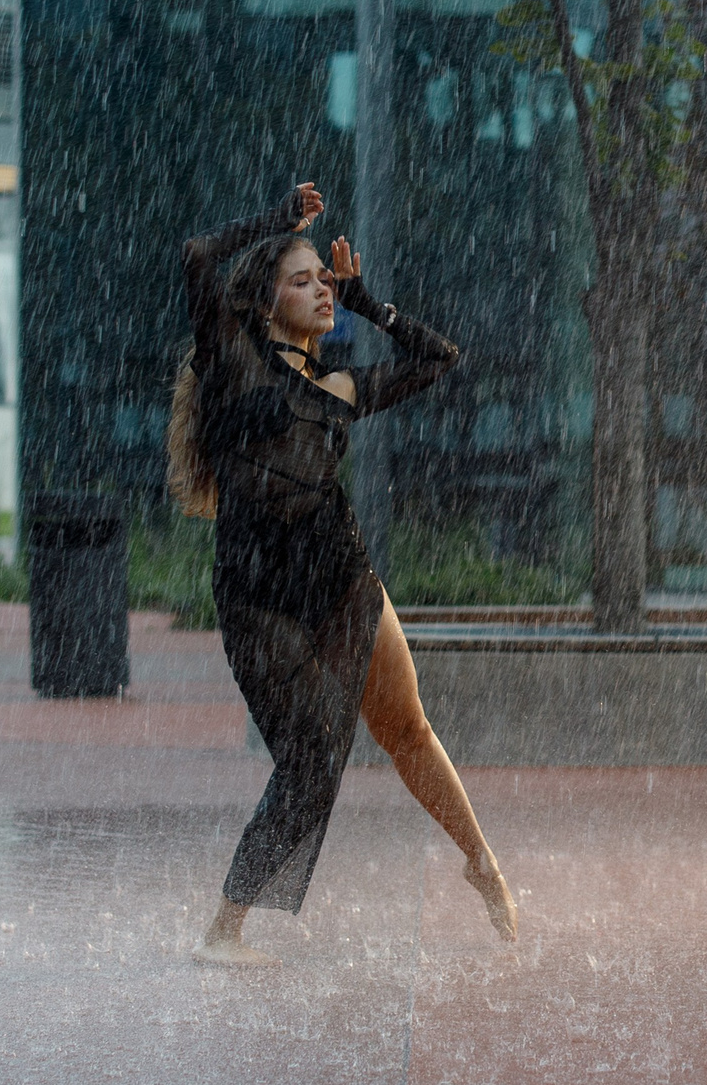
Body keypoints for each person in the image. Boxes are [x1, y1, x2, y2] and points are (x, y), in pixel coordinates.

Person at [170, 182, 516, 965]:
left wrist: (368, 301)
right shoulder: (233, 360)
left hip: (341, 578)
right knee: (311, 755)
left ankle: (481, 862)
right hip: (260, 595)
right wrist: (277, 221)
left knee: (406, 728)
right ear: (264, 304)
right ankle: (225, 929)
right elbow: (196, 255)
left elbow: (439, 357)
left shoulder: (344, 387)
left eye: (324, 281)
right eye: (305, 279)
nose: (320, 288)